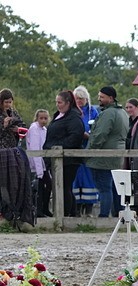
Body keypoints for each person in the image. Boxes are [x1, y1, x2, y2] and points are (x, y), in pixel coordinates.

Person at [87, 85, 130, 218]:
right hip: (117, 156)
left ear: (111, 98)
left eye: (102, 97)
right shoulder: (122, 112)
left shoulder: (108, 113)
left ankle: (103, 216)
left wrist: (90, 151)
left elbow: (100, 135)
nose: (99, 99)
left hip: (103, 158)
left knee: (104, 188)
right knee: (115, 188)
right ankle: (119, 215)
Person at [45, 89, 86, 219]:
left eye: (60, 102)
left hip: (68, 159)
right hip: (56, 156)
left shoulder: (73, 117)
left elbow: (75, 136)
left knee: (64, 186)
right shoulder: (60, 115)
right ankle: (69, 213)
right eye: (56, 102)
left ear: (68, 102)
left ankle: (66, 215)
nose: (57, 104)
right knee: (62, 187)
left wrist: (58, 146)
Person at [0, 88, 36, 230]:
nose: (8, 105)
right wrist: (3, 126)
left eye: (10, 102)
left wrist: (17, 128)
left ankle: (16, 215)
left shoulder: (14, 114)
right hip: (1, 151)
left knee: (14, 184)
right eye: (6, 102)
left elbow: (23, 126)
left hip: (13, 151)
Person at [72, 85, 100, 215]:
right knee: (76, 178)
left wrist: (89, 135)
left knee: (89, 178)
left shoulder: (92, 111)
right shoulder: (71, 111)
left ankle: (88, 208)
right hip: (75, 149)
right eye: (77, 98)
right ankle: (76, 207)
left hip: (89, 148)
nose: (79, 101)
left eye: (81, 98)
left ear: (86, 99)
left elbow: (98, 128)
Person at [25, 108, 51, 217]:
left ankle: (45, 208)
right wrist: (39, 169)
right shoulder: (34, 129)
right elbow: (35, 148)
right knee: (40, 188)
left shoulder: (44, 129)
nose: (43, 120)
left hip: (43, 163)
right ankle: (39, 210)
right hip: (37, 164)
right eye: (41, 118)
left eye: (45, 118)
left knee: (48, 186)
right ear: (37, 118)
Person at [124, 97, 138, 215]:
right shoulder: (131, 122)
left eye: (131, 107)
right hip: (131, 158)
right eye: (127, 107)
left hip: (137, 158)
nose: (128, 110)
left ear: (137, 108)